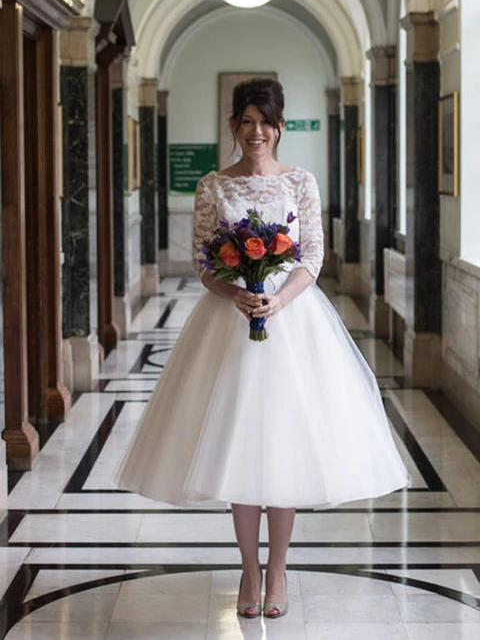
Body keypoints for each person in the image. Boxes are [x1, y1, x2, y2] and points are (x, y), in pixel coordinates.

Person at [115, 78, 410, 620]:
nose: (256, 132)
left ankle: (278, 571)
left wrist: (279, 302)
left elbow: (313, 255)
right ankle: (248, 570)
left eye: (265, 122)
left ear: (280, 127)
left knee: (284, 448)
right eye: (246, 121)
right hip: (229, 325)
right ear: (234, 126)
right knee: (239, 447)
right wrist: (236, 293)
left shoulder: (301, 181)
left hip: (292, 325)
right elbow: (205, 262)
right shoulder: (213, 187)